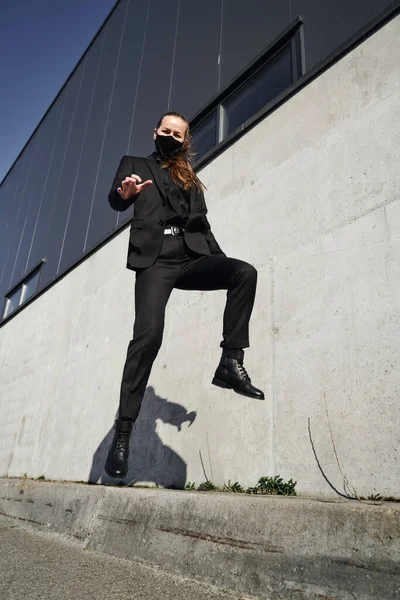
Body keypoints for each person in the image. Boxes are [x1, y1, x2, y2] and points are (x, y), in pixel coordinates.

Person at [105, 111, 264, 479]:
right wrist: (124, 194)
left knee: (244, 272)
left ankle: (230, 362)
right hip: (155, 261)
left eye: (179, 134)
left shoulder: (189, 176)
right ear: (155, 132)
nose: (172, 137)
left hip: (191, 256)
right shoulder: (135, 163)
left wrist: (221, 265)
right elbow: (117, 199)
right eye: (166, 131)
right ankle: (123, 434)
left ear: (186, 140)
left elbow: (203, 228)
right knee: (147, 337)